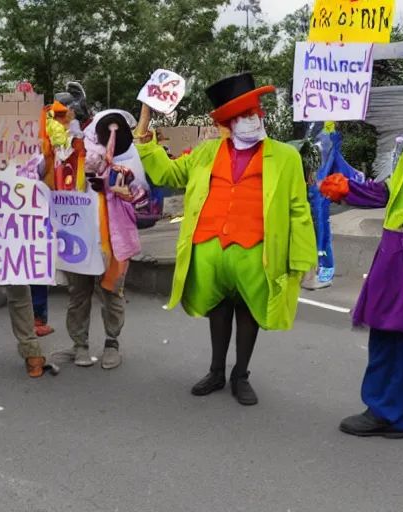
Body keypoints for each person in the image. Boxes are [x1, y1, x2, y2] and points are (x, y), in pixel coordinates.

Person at [136, 72, 317, 405]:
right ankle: (216, 371)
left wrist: (304, 259)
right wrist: (145, 136)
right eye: (241, 115)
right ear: (228, 122)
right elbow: (168, 174)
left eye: (253, 112)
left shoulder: (285, 157)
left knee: (249, 311)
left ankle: (240, 374)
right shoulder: (206, 153)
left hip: (256, 251)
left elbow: (298, 210)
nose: (250, 119)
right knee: (218, 311)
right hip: (210, 249)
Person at [49, 109, 143, 370]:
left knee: (112, 294)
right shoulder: (73, 154)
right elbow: (57, 184)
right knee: (78, 293)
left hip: (114, 242)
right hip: (79, 240)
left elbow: (138, 195)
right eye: (105, 129)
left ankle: (112, 343)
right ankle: (79, 345)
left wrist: (114, 185)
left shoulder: (129, 157)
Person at [321, 154, 403, 438]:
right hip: (396, 249)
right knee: (390, 332)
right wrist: (349, 189)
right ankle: (394, 413)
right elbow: (391, 191)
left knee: (391, 334)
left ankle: (386, 412)